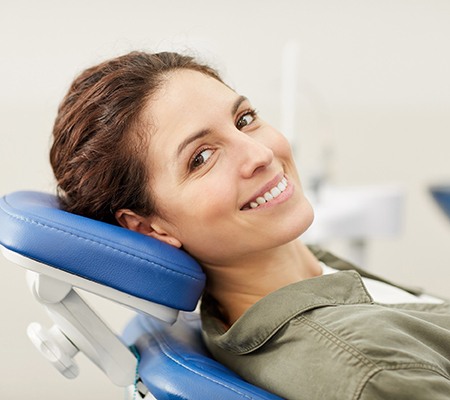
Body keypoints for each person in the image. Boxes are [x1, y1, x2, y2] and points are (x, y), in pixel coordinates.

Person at [50, 51, 450, 400]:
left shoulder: (303, 276)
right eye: (202, 157)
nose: (259, 153)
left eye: (244, 119)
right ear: (149, 228)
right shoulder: (372, 371)